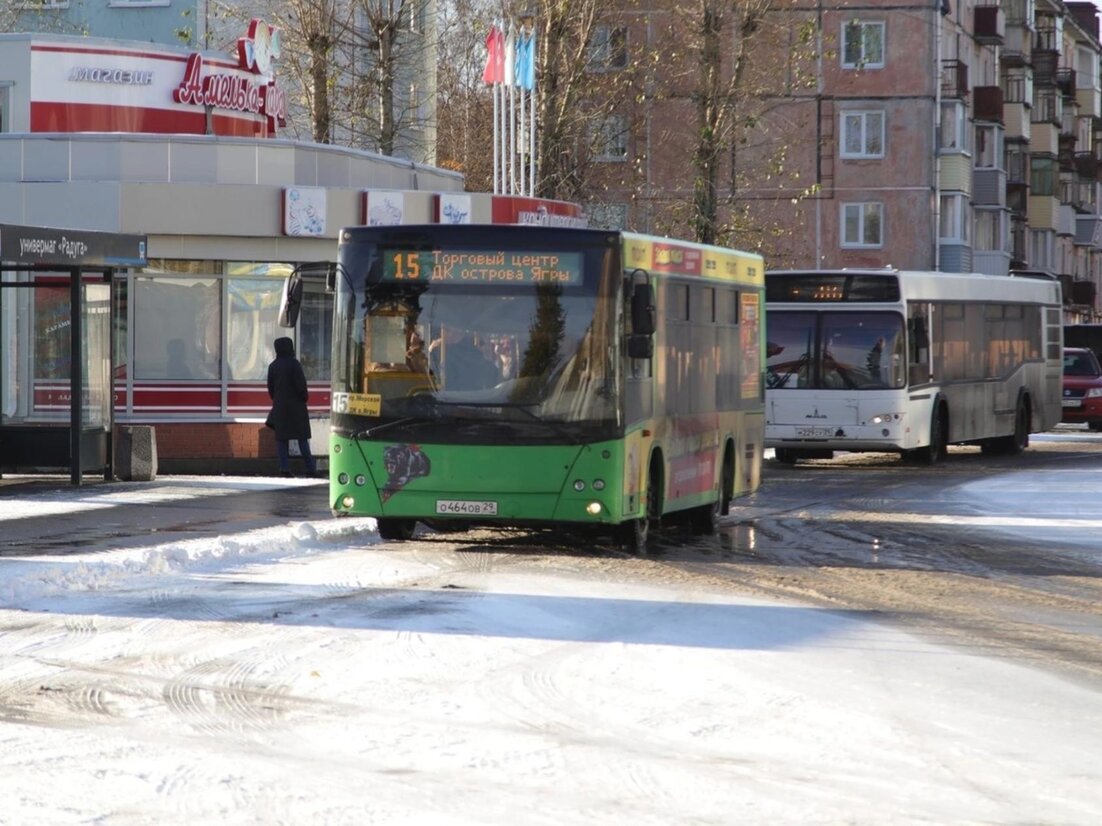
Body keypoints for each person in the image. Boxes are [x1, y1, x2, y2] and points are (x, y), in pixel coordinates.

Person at [266, 336, 318, 477]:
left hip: (280, 407)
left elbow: (270, 388)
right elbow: (301, 386)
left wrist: (277, 400)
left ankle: (284, 469)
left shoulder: (273, 366)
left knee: (282, 440)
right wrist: (304, 398)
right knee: (302, 438)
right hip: (297, 407)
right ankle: (310, 468)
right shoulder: (294, 364)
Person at [428, 327, 500, 391]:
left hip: (464, 397)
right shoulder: (439, 350)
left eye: (447, 330)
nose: (443, 334)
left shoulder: (469, 351)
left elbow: (485, 369)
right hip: (445, 398)